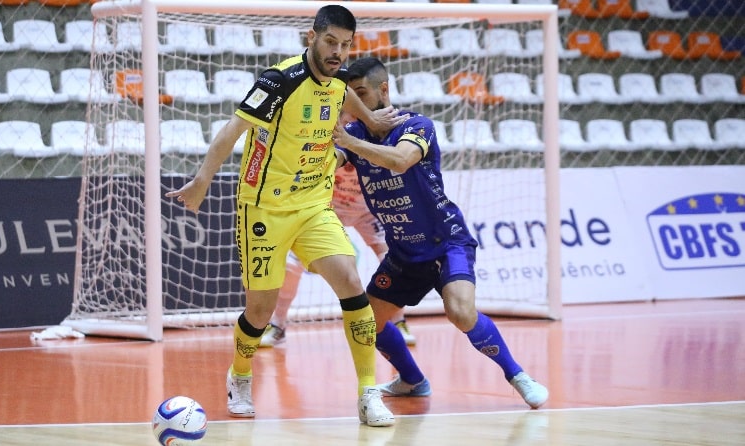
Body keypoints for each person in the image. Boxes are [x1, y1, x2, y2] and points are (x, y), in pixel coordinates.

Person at [166, 6, 405, 426]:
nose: (337, 52)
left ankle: (368, 393)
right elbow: (231, 130)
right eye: (331, 41)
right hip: (264, 208)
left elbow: (344, 93)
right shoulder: (280, 81)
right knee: (260, 311)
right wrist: (202, 179)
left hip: (314, 205)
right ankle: (239, 375)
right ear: (311, 36)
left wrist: (367, 117)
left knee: (351, 283)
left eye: (346, 45)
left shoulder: (336, 81)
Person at [331, 57, 549, 409]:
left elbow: (400, 160)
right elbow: (334, 159)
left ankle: (518, 375)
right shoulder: (354, 133)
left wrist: (350, 144)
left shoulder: (416, 125)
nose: (355, 105)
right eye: (349, 98)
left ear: (383, 89)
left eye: (361, 94)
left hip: (446, 242)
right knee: (365, 323)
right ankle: (413, 381)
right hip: (403, 252)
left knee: (461, 312)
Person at [259, 161, 417, 347]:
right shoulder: (325, 137)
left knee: (394, 261)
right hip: (327, 207)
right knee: (292, 266)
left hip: (369, 209)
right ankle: (278, 325)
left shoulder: (371, 138)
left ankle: (398, 322)